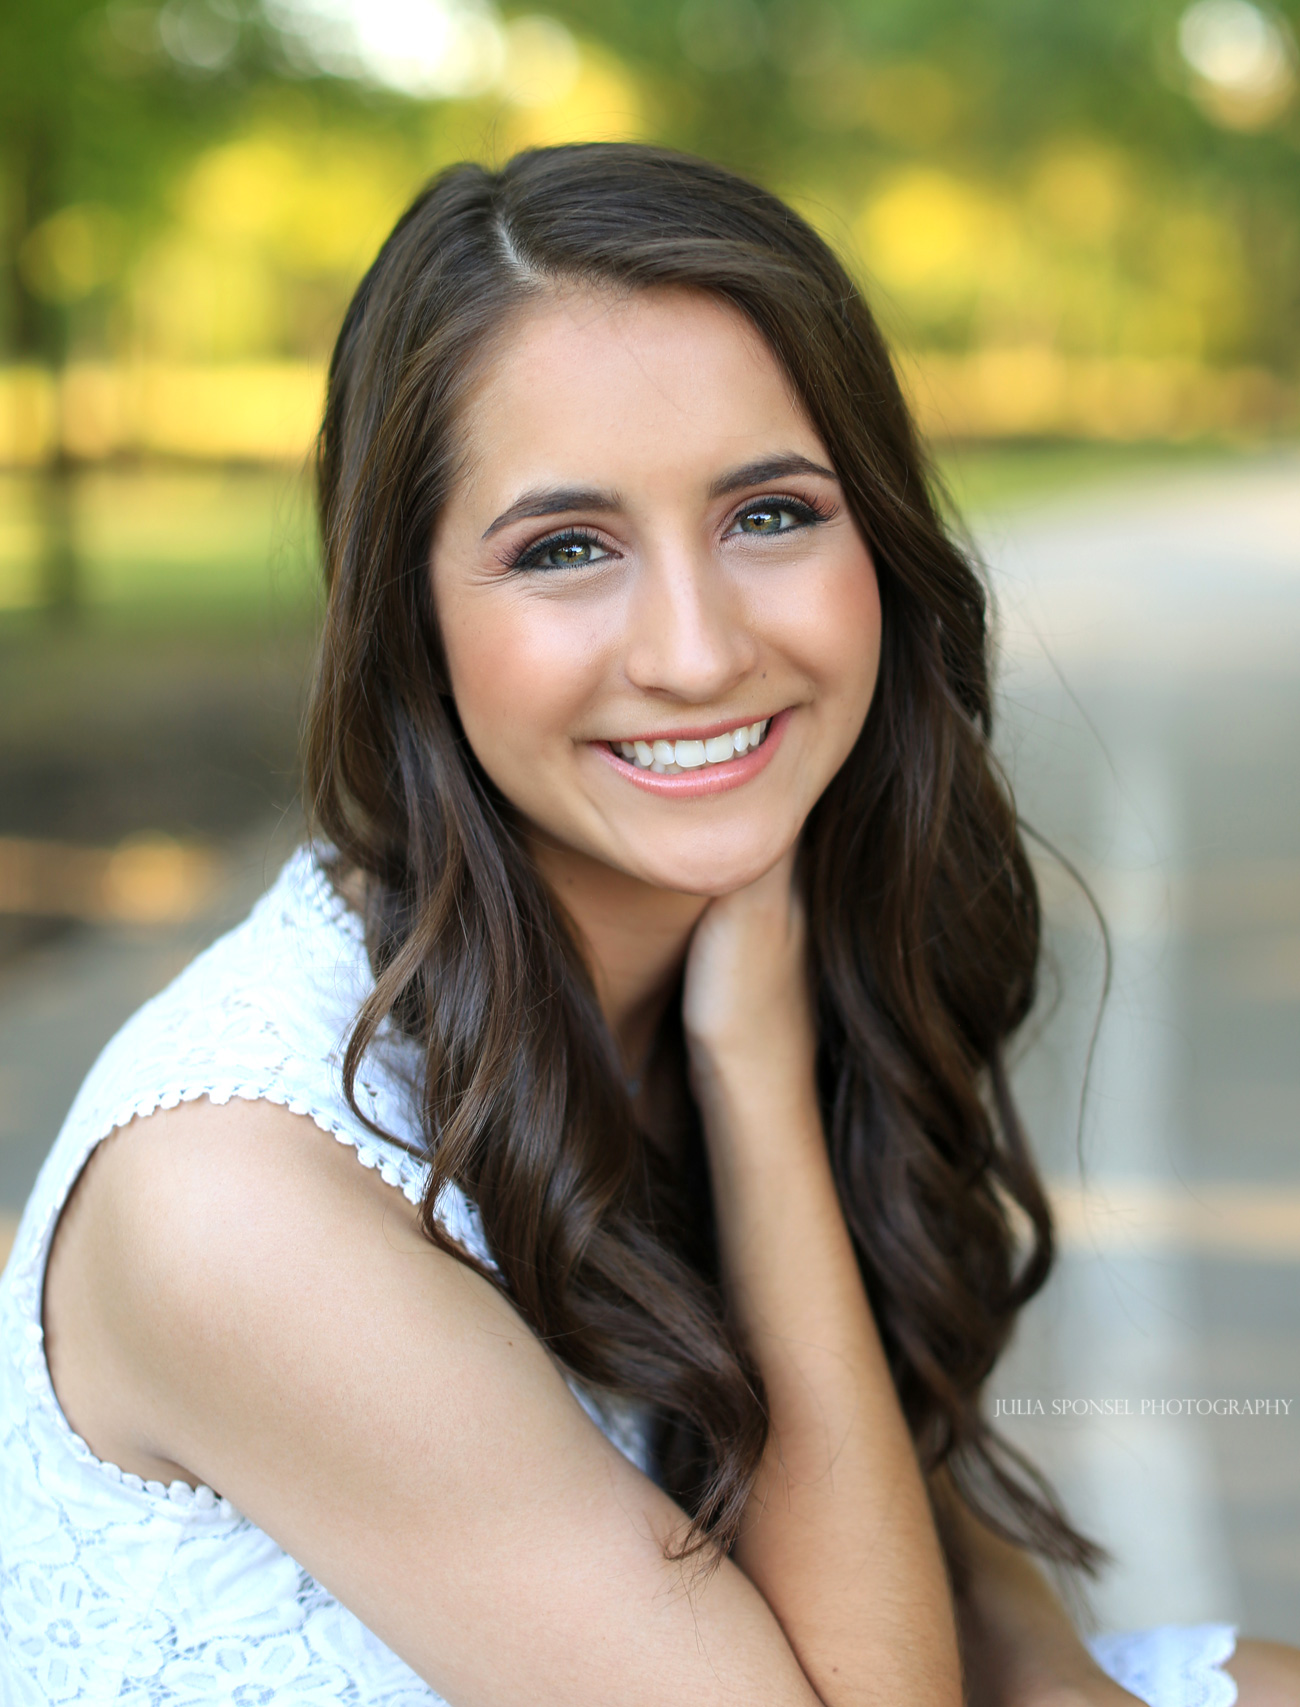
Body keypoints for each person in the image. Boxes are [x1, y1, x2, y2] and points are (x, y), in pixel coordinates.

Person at [0, 143, 1295, 1707]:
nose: (695, 652)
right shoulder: (240, 1198)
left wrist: (1043, 1666)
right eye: (565, 549)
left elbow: (915, 1519)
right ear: (407, 614)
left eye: (769, 515)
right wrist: (757, 1085)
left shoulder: (703, 939)